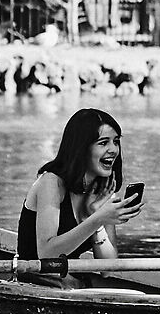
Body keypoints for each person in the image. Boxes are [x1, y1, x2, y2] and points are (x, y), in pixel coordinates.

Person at [17, 107, 141, 279]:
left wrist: (94, 216)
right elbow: (46, 254)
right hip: (33, 284)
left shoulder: (103, 190)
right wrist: (97, 219)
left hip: (70, 287)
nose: (113, 150)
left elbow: (108, 269)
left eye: (116, 141)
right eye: (103, 143)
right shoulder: (51, 183)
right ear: (82, 148)